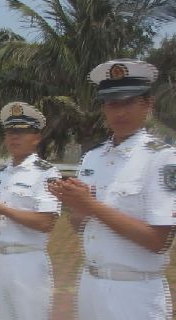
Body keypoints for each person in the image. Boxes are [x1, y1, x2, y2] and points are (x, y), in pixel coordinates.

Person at [49, 59, 176, 320]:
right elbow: (82, 227)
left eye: (128, 102)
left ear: (147, 104)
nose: (119, 112)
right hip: (91, 283)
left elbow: (159, 241)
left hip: (135, 292)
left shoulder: (161, 158)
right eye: (111, 103)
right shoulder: (92, 158)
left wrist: (92, 206)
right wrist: (77, 206)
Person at [0, 102, 61, 320]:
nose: (14, 137)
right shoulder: (3, 174)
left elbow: (46, 223)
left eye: (22, 132)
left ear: (36, 137)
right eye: (10, 132)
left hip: (28, 261)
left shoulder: (46, 173)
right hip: (1, 257)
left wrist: (3, 209)